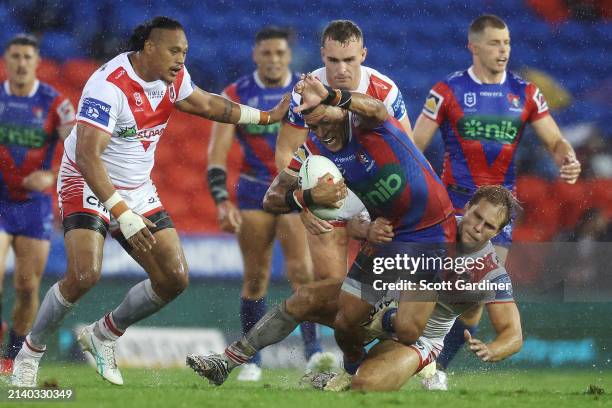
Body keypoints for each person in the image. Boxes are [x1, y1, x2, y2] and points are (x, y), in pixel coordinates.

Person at [11, 16, 289, 388]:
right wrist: (122, 213)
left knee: (174, 278)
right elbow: (89, 157)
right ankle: (30, 353)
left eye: (185, 52)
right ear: (149, 48)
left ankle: (104, 334)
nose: (181, 59)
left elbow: (207, 104)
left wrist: (267, 116)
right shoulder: (109, 86)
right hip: (86, 178)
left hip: (137, 187)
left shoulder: (172, 78)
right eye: (175, 51)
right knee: (84, 275)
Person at [186, 78, 455, 385]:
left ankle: (405, 325)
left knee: (407, 329)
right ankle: (229, 361)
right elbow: (271, 198)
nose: (322, 132)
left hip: (430, 234)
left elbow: (377, 107)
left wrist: (331, 93)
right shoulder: (312, 151)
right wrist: (308, 199)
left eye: (325, 120)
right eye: (313, 126)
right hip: (386, 238)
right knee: (345, 320)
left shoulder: (365, 122)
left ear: (338, 109)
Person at [411, 14, 580, 389]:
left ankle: (437, 369)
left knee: (473, 296)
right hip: (452, 205)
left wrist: (565, 156)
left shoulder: (527, 93)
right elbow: (414, 146)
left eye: (506, 43)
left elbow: (554, 140)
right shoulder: (447, 90)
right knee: (428, 282)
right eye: (494, 42)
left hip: (499, 214)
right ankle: (398, 349)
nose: (503, 49)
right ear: (473, 46)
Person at [206, 26, 330, 381]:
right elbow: (216, 157)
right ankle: (251, 361)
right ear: (255, 54)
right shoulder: (237, 93)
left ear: (289, 56)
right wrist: (220, 200)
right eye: (267, 53)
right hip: (253, 192)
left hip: (294, 192)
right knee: (256, 276)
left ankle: (313, 353)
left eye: (280, 53)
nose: (274, 59)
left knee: (302, 274)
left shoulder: (306, 93)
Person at [312, 185, 523, 392]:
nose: (478, 228)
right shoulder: (428, 224)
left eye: (489, 226)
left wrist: (493, 349)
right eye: (477, 216)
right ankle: (340, 364)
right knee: (307, 301)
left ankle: (371, 370)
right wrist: (367, 228)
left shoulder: (491, 273)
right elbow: (361, 227)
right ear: (467, 207)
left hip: (422, 337)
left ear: (498, 232)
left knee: (366, 385)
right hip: (380, 304)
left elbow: (513, 335)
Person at [275, 20, 412, 290]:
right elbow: (287, 149)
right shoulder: (305, 91)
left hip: (378, 185)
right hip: (329, 186)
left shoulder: (384, 91)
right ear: (322, 54)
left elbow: (408, 152)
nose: (341, 69)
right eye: (333, 60)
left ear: (363, 55)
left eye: (349, 59)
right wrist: (301, 204)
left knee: (383, 291)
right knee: (331, 287)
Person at [0, 34, 75, 373]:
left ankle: (11, 355)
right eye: (15, 56)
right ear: (6, 60)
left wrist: (52, 174)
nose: (20, 63)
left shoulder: (55, 103)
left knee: (28, 287)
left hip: (34, 207)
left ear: (37, 62)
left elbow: (80, 151)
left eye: (27, 57)